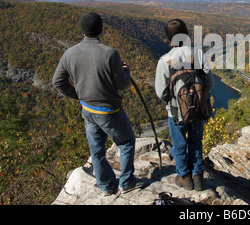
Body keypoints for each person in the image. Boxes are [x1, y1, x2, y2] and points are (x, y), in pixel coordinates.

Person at [52, 12, 147, 196]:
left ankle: (106, 186)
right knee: (126, 142)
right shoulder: (110, 53)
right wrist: (126, 72)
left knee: (96, 151)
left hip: (87, 110)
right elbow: (122, 84)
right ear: (100, 29)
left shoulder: (70, 53)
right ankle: (127, 182)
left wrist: (78, 96)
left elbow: (57, 82)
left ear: (83, 30)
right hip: (109, 110)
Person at [155, 19, 214, 191]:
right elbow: (209, 83)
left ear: (169, 37)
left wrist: (174, 101)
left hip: (175, 112)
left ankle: (184, 178)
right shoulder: (199, 54)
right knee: (196, 141)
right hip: (198, 107)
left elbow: (160, 91)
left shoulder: (165, 60)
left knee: (179, 144)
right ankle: (198, 178)